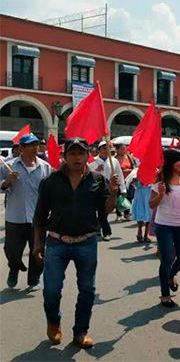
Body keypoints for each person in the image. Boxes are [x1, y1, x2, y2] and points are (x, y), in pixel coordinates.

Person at [32, 138, 118, 348]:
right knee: (51, 290)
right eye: (73, 153)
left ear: (88, 155)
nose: (77, 157)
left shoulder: (98, 180)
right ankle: (54, 321)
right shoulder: (51, 181)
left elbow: (106, 210)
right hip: (56, 243)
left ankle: (80, 332)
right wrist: (37, 243)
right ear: (65, 155)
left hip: (86, 243)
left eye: (81, 153)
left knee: (87, 289)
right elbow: (40, 215)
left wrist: (114, 191)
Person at [0, 134, 52, 289]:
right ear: (21, 148)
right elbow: (1, 186)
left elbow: (49, 191)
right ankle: (14, 268)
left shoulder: (45, 167)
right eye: (31, 145)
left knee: (38, 250)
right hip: (15, 216)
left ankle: (34, 278)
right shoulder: (7, 166)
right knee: (11, 250)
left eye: (36, 144)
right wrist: (7, 182)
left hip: (38, 217)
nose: (35, 148)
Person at [149, 149, 180, 307]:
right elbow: (151, 204)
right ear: (170, 163)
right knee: (167, 259)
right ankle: (165, 295)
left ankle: (171, 275)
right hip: (164, 225)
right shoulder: (160, 180)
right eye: (179, 160)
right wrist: (160, 194)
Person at [88, 141, 126, 240]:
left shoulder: (114, 161)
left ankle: (105, 232)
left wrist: (123, 189)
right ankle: (100, 229)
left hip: (109, 189)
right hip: (95, 188)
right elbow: (87, 174)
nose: (106, 151)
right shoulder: (92, 161)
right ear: (99, 150)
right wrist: (96, 170)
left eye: (108, 148)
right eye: (104, 148)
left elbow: (120, 175)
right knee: (96, 211)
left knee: (103, 211)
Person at [127, 168, 153, 243]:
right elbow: (130, 182)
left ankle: (146, 234)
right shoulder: (136, 171)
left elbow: (157, 181)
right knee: (139, 211)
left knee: (149, 213)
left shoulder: (154, 170)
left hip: (149, 192)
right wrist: (136, 179)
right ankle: (139, 231)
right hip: (139, 192)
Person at [115, 144, 136, 222]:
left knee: (129, 197)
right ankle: (119, 214)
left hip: (129, 181)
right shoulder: (115, 159)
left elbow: (134, 168)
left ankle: (127, 214)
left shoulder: (130, 157)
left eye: (125, 149)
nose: (124, 150)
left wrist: (130, 171)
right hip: (119, 181)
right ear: (117, 150)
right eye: (122, 149)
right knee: (119, 197)